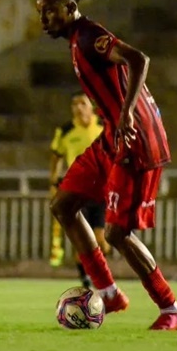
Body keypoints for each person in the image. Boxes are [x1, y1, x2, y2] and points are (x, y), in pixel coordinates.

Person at [34, 0, 177, 331]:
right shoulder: (76, 40)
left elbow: (139, 60)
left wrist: (125, 113)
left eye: (49, 11)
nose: (43, 19)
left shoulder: (91, 37)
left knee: (118, 233)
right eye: (40, 11)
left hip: (137, 140)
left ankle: (172, 309)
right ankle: (108, 292)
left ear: (70, 7)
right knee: (64, 205)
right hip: (112, 137)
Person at [48, 91, 112, 288]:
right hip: (77, 190)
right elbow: (56, 155)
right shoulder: (65, 131)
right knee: (82, 239)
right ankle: (86, 280)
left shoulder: (103, 126)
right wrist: (53, 180)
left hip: (102, 190)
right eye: (74, 104)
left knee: (102, 241)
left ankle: (97, 273)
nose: (78, 108)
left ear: (91, 106)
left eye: (82, 103)